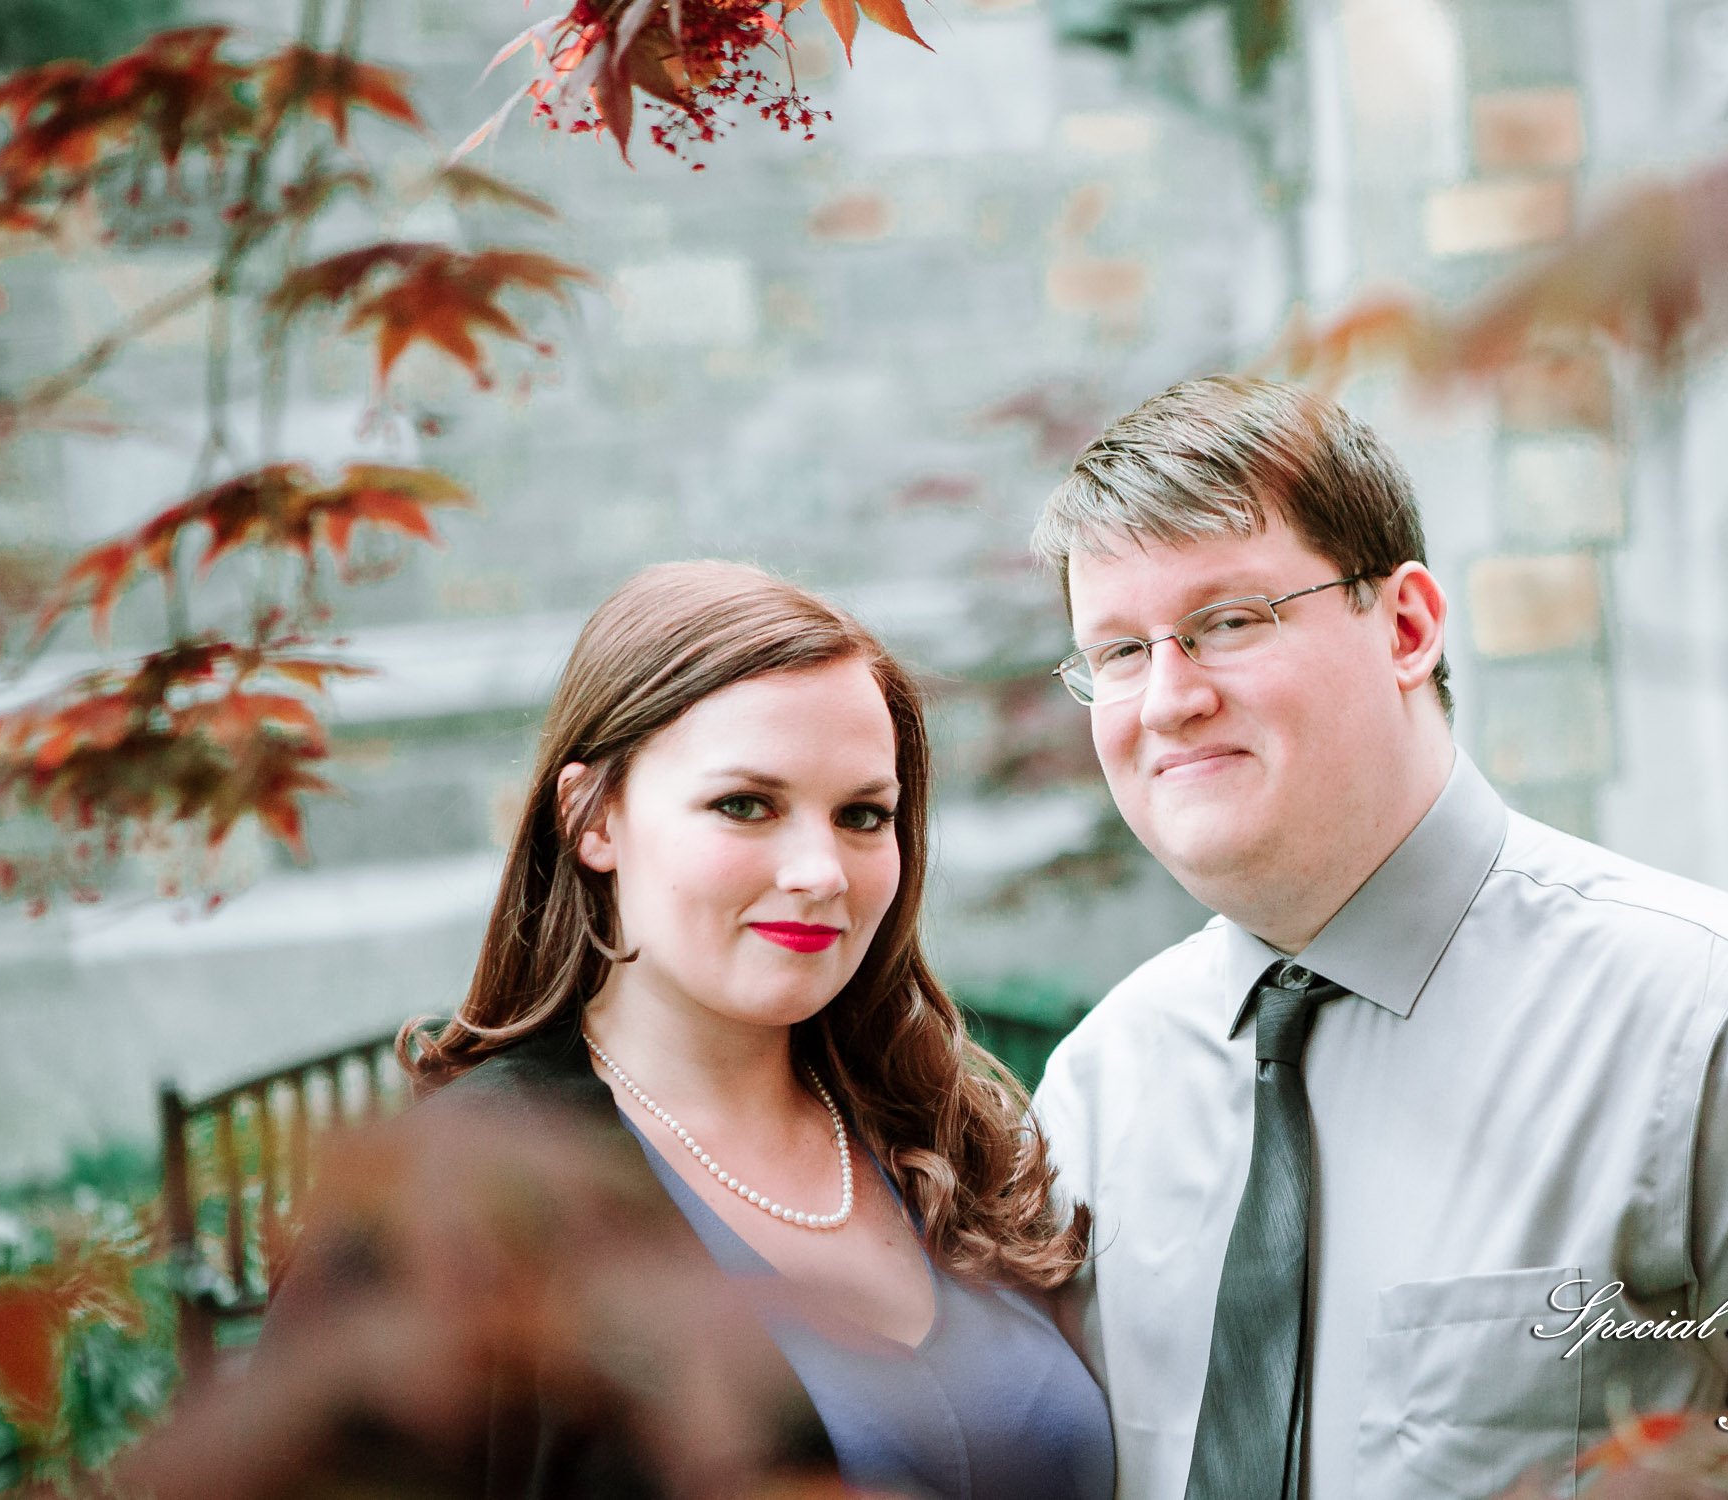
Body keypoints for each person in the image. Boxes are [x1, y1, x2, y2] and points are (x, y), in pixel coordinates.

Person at [1026, 377, 1728, 1500]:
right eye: (1118, 653)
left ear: (1406, 627)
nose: (1166, 699)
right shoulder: (1096, 1097)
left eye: (1229, 622)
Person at [274, 561, 1114, 1500]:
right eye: (744, 805)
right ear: (591, 818)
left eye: (862, 815)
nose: (820, 871)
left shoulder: (951, 1137)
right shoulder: (456, 1202)